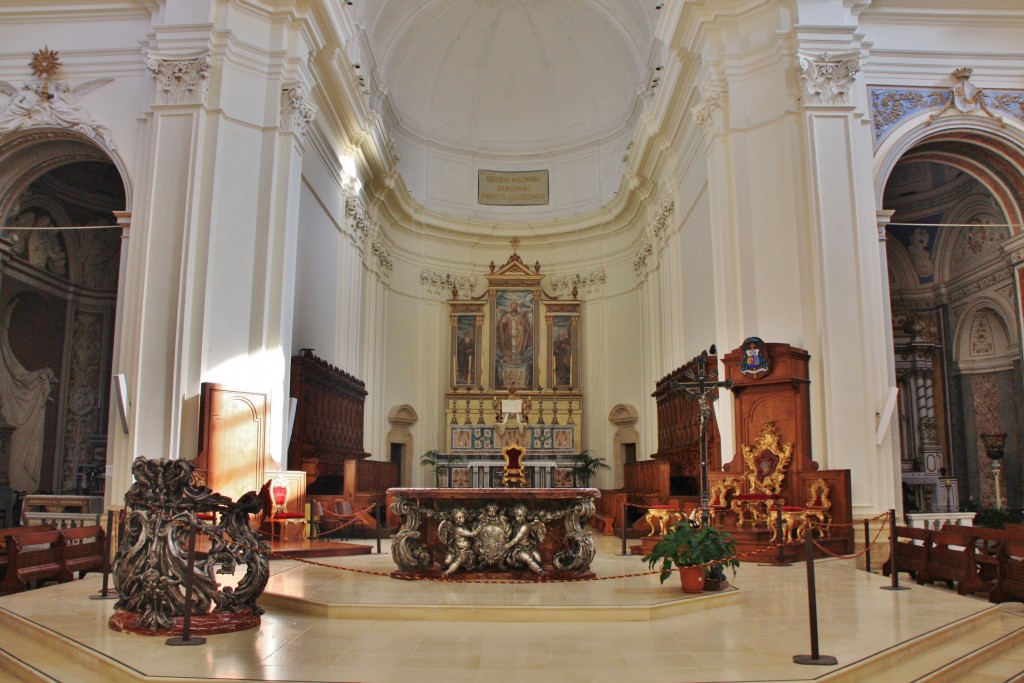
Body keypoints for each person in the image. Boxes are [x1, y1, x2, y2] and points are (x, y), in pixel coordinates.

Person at [504, 504, 545, 575]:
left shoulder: (525, 526)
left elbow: (516, 539)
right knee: (527, 558)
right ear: (514, 515)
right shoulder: (515, 524)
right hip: (519, 549)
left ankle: (537, 568)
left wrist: (507, 546)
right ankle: (539, 571)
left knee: (539, 559)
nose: (522, 518)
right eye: (519, 516)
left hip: (529, 548)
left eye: (523, 516)